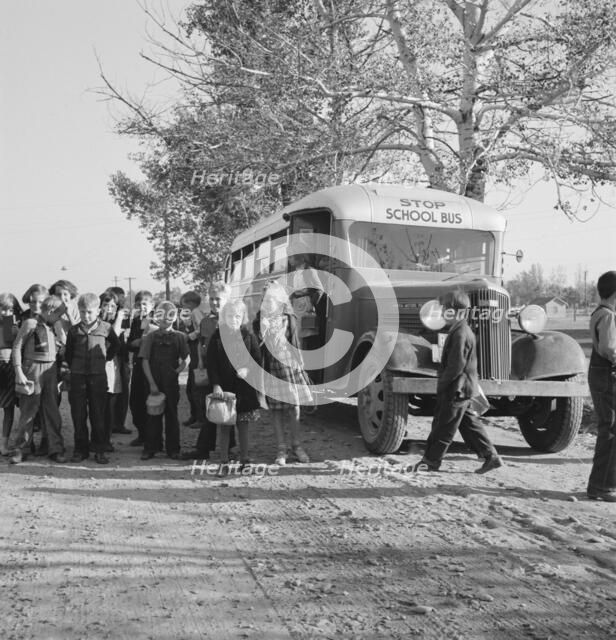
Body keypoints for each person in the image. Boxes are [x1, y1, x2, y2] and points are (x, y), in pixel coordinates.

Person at [414, 290, 503, 474]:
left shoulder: (460, 333)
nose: (442, 313)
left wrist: (443, 385)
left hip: (457, 388)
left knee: (443, 427)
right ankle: (490, 456)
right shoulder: (459, 330)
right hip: (462, 388)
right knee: (469, 424)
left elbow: (456, 365)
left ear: (455, 311)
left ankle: (430, 462)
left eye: (445, 309)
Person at [253, 280, 311, 466]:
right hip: (271, 367)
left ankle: (297, 445)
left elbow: (295, 342)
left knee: (294, 406)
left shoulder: (289, 319)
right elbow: (259, 345)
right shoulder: (258, 321)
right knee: (276, 410)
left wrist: (300, 363)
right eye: (265, 300)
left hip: (289, 366)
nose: (267, 304)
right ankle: (281, 448)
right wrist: (263, 325)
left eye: (271, 300)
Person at [206, 299, 262, 475]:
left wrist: (248, 369)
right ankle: (224, 461)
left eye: (238, 316)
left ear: (243, 317)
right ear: (224, 317)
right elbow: (211, 364)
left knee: (243, 425)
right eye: (230, 316)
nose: (234, 319)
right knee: (224, 425)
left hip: (244, 390)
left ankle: (244, 460)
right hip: (224, 389)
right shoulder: (217, 337)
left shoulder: (249, 337)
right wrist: (216, 385)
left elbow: (257, 361)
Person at [9, 295, 66, 464]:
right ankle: (21, 448)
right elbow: (17, 346)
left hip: (50, 370)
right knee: (28, 411)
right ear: (50, 311)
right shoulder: (30, 324)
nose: (60, 318)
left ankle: (55, 448)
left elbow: (62, 346)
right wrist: (19, 371)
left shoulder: (54, 327)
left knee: (52, 412)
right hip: (31, 369)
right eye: (59, 314)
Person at [181, 281, 234, 461]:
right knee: (209, 408)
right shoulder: (206, 321)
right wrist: (201, 362)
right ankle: (204, 447)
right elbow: (201, 343)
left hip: (227, 370)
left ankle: (229, 448)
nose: (214, 303)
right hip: (210, 369)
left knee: (228, 409)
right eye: (211, 299)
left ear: (227, 299)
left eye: (218, 299)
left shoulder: (233, 319)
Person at [65, 293, 120, 464]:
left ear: (98, 310)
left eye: (89, 312)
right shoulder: (74, 331)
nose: (85, 316)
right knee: (78, 414)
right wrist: (74, 368)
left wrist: (105, 359)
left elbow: (115, 346)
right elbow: (68, 353)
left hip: (98, 377)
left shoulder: (106, 328)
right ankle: (80, 449)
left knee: (98, 414)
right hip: (78, 378)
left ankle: (99, 449)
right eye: (82, 312)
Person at [139, 301, 188, 460]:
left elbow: (187, 359)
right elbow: (144, 360)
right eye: (162, 315)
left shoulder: (180, 337)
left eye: (170, 315)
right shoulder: (150, 337)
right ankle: (151, 447)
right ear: (156, 317)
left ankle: (173, 449)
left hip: (171, 383)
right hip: (153, 381)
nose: (166, 319)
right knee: (152, 415)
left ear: (175, 317)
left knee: (172, 415)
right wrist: (152, 383)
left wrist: (177, 372)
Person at [586, 271, 616, 502]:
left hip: (599, 373)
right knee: (610, 429)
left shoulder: (599, 312)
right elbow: (609, 348)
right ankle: (601, 486)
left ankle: (603, 483)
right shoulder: (608, 316)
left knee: (608, 427)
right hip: (607, 374)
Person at [127, 290, 156, 447]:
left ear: (152, 305)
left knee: (151, 403)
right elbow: (129, 343)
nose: (142, 307)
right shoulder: (136, 321)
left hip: (152, 367)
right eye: (138, 304)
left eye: (145, 303)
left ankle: (152, 441)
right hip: (138, 366)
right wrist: (134, 343)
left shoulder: (157, 320)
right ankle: (142, 434)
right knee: (136, 402)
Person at [177, 290, 202, 428]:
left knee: (195, 388)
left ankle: (199, 417)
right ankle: (195, 415)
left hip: (197, 355)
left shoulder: (196, 313)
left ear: (191, 303)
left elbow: (200, 330)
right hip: (193, 355)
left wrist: (188, 336)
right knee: (191, 388)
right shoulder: (192, 314)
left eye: (184, 305)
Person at [0, 293, 21, 455]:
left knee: (9, 408)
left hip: (11, 368)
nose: (5, 313)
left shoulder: (15, 327)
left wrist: (15, 331)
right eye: (2, 309)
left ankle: (4, 444)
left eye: (9, 309)